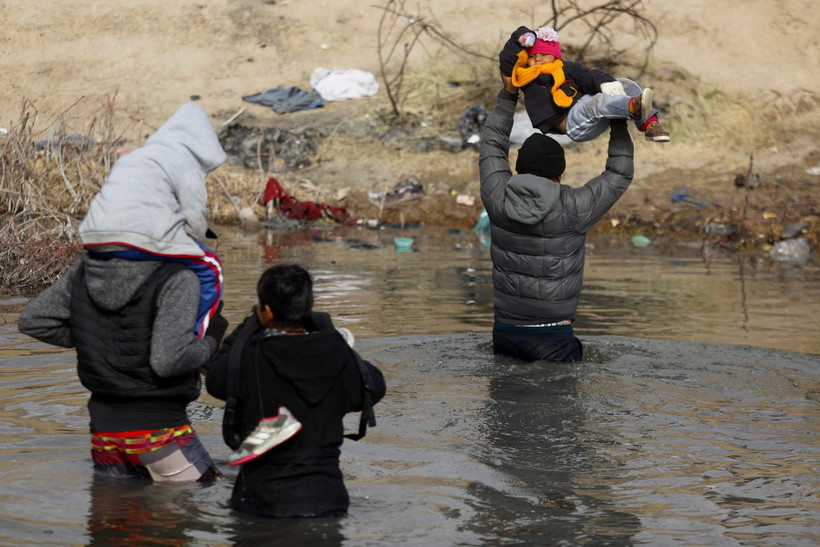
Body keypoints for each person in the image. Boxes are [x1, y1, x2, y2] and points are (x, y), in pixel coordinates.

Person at [17, 240, 228, 482]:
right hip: (158, 432)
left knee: (113, 518)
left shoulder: (87, 269)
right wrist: (212, 340)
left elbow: (34, 320)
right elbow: (168, 361)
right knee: (209, 500)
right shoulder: (178, 278)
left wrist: (96, 336)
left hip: (104, 436)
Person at [478, 64, 635, 362]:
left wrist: (509, 94)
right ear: (558, 175)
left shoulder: (496, 195)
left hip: (504, 333)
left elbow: (491, 145)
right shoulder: (575, 207)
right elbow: (620, 173)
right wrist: (618, 120)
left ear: (519, 168)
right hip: (553, 337)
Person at [205, 264, 386, 518]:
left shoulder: (249, 358)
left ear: (266, 311)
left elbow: (215, 378)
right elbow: (374, 386)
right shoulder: (338, 358)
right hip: (327, 502)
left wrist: (245, 329)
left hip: (263, 505)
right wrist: (328, 334)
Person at [78, 101, 227, 340]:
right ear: (202, 142)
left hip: (93, 236)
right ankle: (195, 340)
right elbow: (195, 222)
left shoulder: (136, 157)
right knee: (212, 268)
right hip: (135, 239)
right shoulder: (185, 162)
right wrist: (195, 248)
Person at [500, 26, 670, 143]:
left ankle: (651, 126)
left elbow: (588, 75)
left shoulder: (567, 68)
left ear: (555, 56)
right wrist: (520, 37)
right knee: (595, 102)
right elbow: (507, 64)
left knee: (625, 83)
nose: (538, 58)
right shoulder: (525, 79)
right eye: (532, 56)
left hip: (594, 112)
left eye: (544, 54)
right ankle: (632, 107)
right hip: (575, 125)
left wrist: (606, 83)